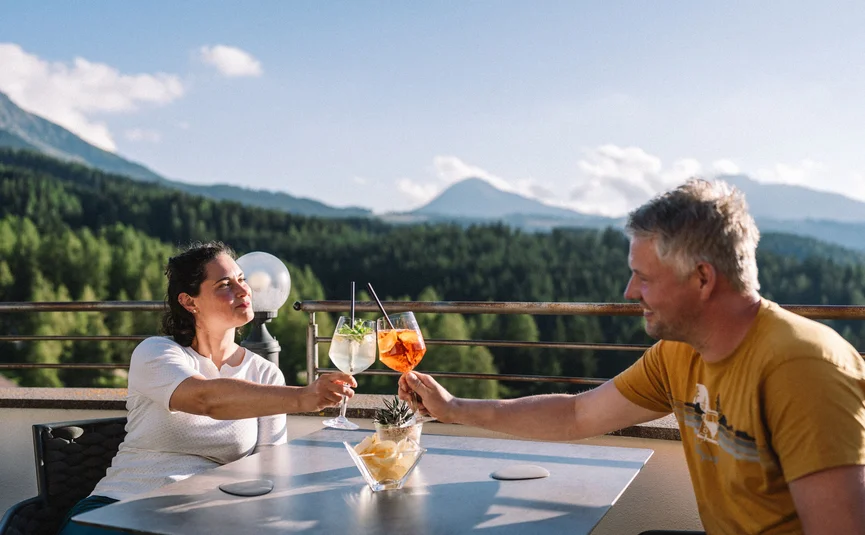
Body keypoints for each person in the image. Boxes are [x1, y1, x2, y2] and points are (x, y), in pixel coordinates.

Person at [399, 179, 865, 535]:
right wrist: (454, 409)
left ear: (702, 278)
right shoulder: (678, 355)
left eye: (643, 277)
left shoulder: (804, 369)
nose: (629, 293)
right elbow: (576, 414)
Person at [57, 241, 355, 534]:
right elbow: (205, 399)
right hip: (119, 508)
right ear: (189, 301)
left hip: (199, 518)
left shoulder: (265, 374)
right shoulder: (156, 353)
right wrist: (303, 397)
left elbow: (268, 472)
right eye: (225, 284)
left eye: (242, 279)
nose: (243, 291)